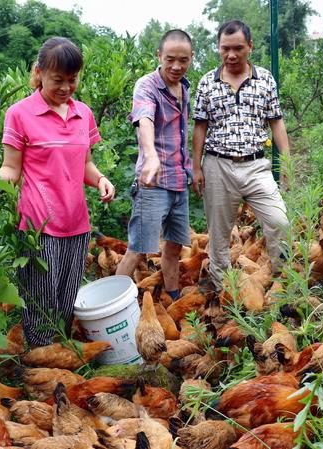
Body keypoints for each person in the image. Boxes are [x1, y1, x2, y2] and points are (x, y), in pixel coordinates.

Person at [0, 37, 115, 347]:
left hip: (77, 222)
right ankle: (40, 364)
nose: (65, 87)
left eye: (72, 80)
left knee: (65, 301)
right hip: (38, 226)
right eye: (58, 80)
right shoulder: (20, 114)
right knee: (40, 305)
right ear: (39, 72)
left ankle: (58, 364)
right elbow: (11, 170)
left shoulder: (83, 113)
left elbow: (85, 163)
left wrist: (100, 179)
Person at [192, 20, 290, 291]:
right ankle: (223, 292)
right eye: (225, 49)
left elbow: (277, 123)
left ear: (250, 46)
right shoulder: (207, 83)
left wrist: (287, 164)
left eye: (238, 48)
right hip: (217, 165)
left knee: (279, 221)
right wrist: (196, 167)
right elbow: (200, 126)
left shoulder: (265, 79)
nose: (231, 55)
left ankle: (282, 283)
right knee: (219, 235)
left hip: (257, 165)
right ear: (218, 48)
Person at [115, 29, 194, 301]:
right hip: (153, 184)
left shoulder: (185, 87)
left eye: (183, 60)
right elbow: (144, 118)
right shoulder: (147, 85)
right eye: (170, 59)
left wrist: (192, 169)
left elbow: (183, 134)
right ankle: (113, 307)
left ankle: (173, 300)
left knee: (174, 248)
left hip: (179, 182)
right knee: (137, 250)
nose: (176, 66)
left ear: (191, 58)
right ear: (159, 55)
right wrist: (150, 155)